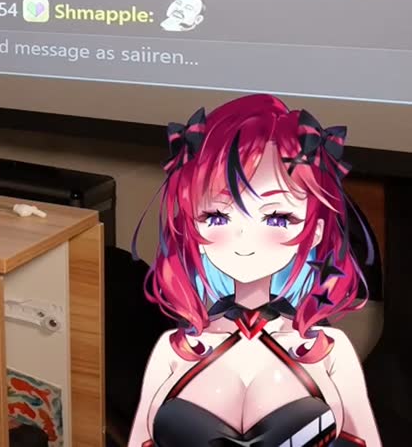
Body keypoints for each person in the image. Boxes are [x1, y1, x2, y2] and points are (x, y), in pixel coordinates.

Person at [129, 94, 379, 446]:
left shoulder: (330, 352)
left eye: (277, 218)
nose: (244, 240)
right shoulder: (174, 351)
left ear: (316, 230)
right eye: (217, 216)